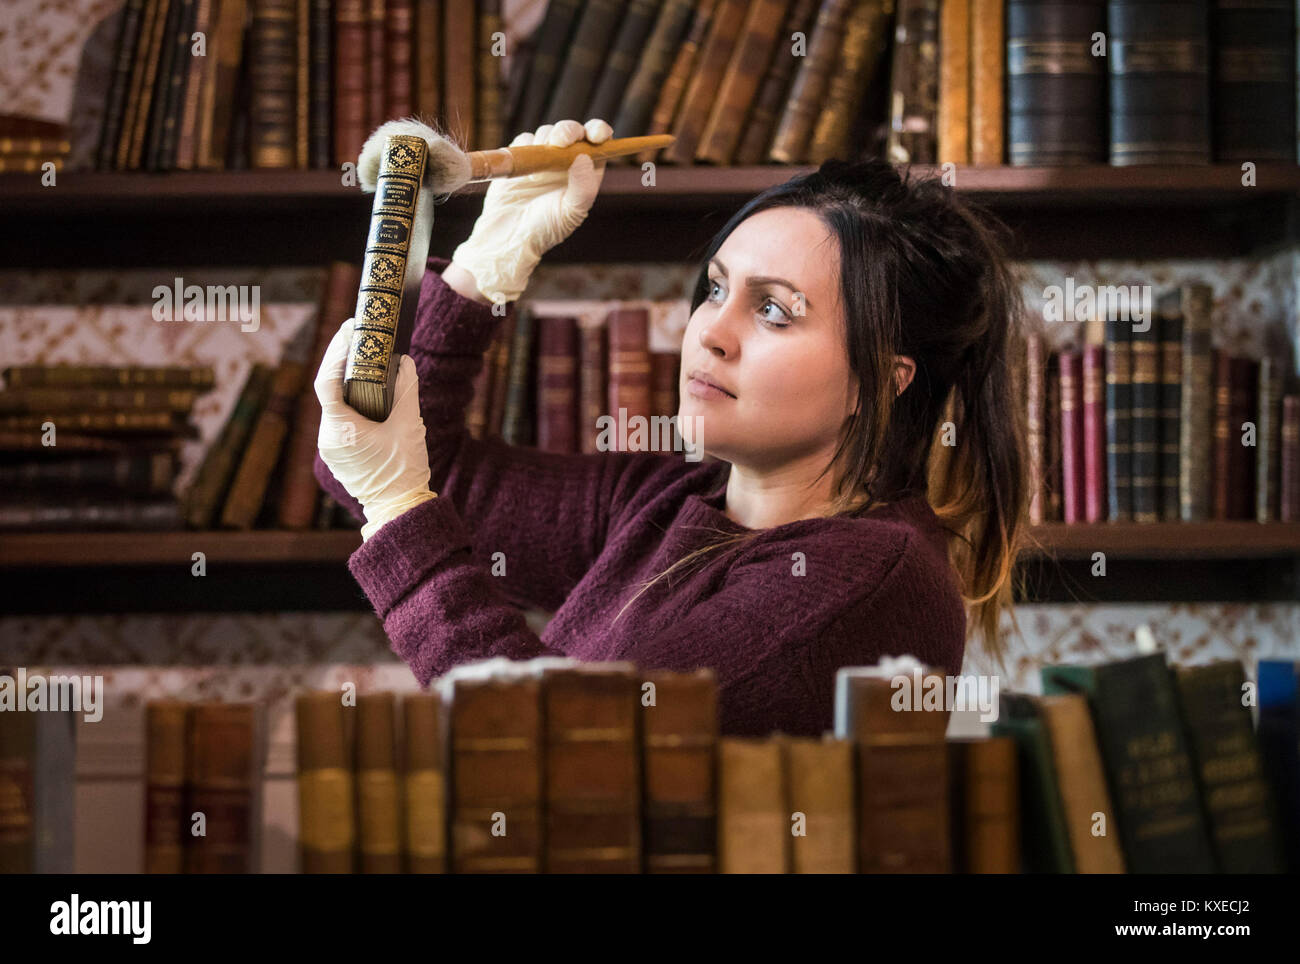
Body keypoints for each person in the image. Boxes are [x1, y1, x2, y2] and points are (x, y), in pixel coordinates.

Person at [313, 117, 1031, 737]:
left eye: (774, 310)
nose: (710, 331)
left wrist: (398, 500)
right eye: (716, 288)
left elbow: (563, 751)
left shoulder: (870, 582)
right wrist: (482, 270)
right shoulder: (666, 501)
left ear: (882, 379)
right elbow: (404, 469)